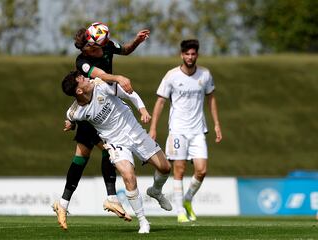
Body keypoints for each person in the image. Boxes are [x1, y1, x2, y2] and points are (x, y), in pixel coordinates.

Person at [53, 25, 150, 230]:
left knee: (94, 154)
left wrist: (136, 42)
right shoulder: (82, 62)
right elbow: (101, 76)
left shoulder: (107, 45)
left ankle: (65, 204)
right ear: (87, 46)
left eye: (100, 44)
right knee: (89, 155)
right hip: (92, 110)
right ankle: (106, 198)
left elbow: (124, 50)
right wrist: (119, 78)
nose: (98, 48)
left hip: (105, 103)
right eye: (93, 45)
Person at [61, 70, 172, 234]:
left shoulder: (100, 85)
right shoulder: (75, 111)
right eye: (82, 79)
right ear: (78, 90)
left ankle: (155, 190)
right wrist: (71, 124)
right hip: (115, 143)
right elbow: (71, 118)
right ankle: (143, 222)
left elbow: (130, 93)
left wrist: (142, 110)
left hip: (135, 132)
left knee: (165, 168)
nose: (87, 78)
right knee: (128, 175)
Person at [149, 39, 222, 223]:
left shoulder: (205, 75)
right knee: (179, 169)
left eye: (193, 54)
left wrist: (217, 124)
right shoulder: (171, 76)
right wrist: (153, 128)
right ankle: (180, 210)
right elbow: (160, 102)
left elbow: (211, 99)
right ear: (181, 55)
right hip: (178, 130)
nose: (190, 57)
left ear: (197, 55)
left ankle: (188, 199)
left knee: (201, 170)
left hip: (198, 130)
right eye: (187, 54)